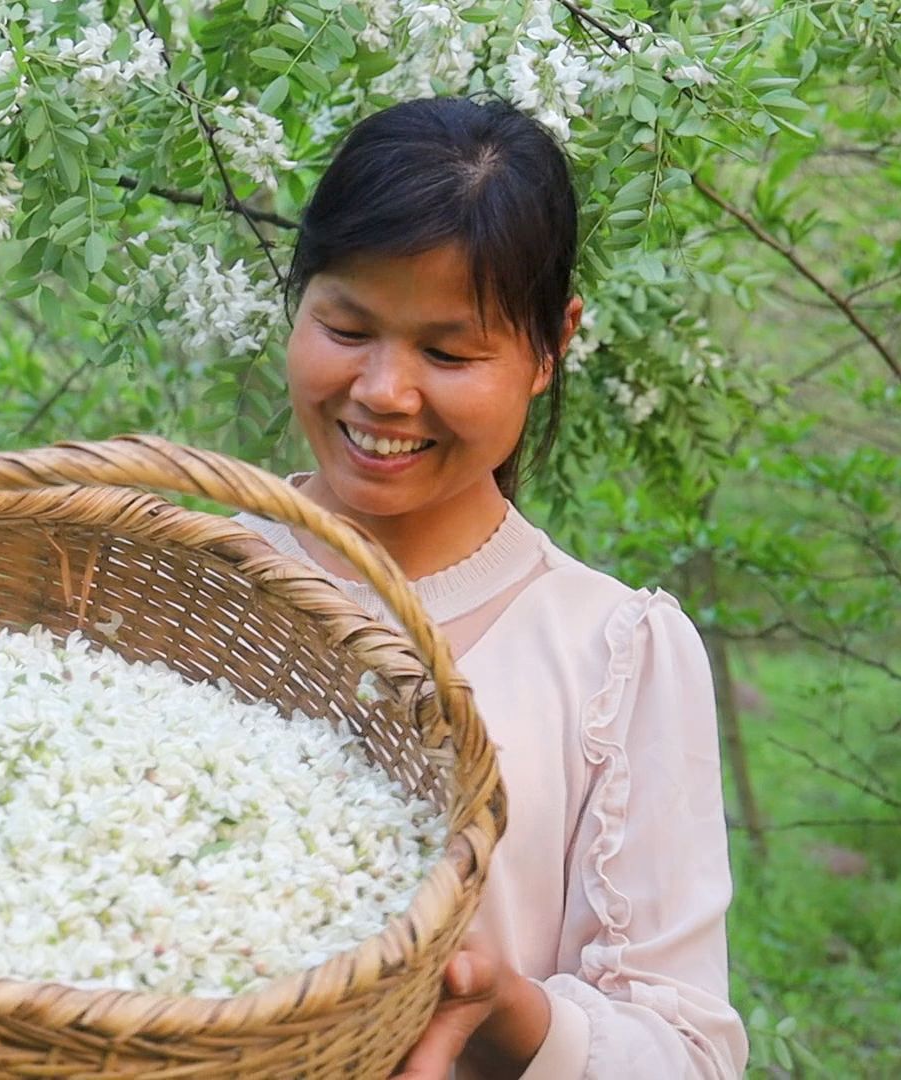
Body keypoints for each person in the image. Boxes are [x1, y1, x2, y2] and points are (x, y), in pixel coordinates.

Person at [229, 96, 748, 1078]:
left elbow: (688, 1056)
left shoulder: (614, 658)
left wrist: (509, 1011)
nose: (384, 390)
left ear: (552, 346)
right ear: (295, 304)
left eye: (448, 352)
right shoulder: (189, 587)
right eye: (346, 326)